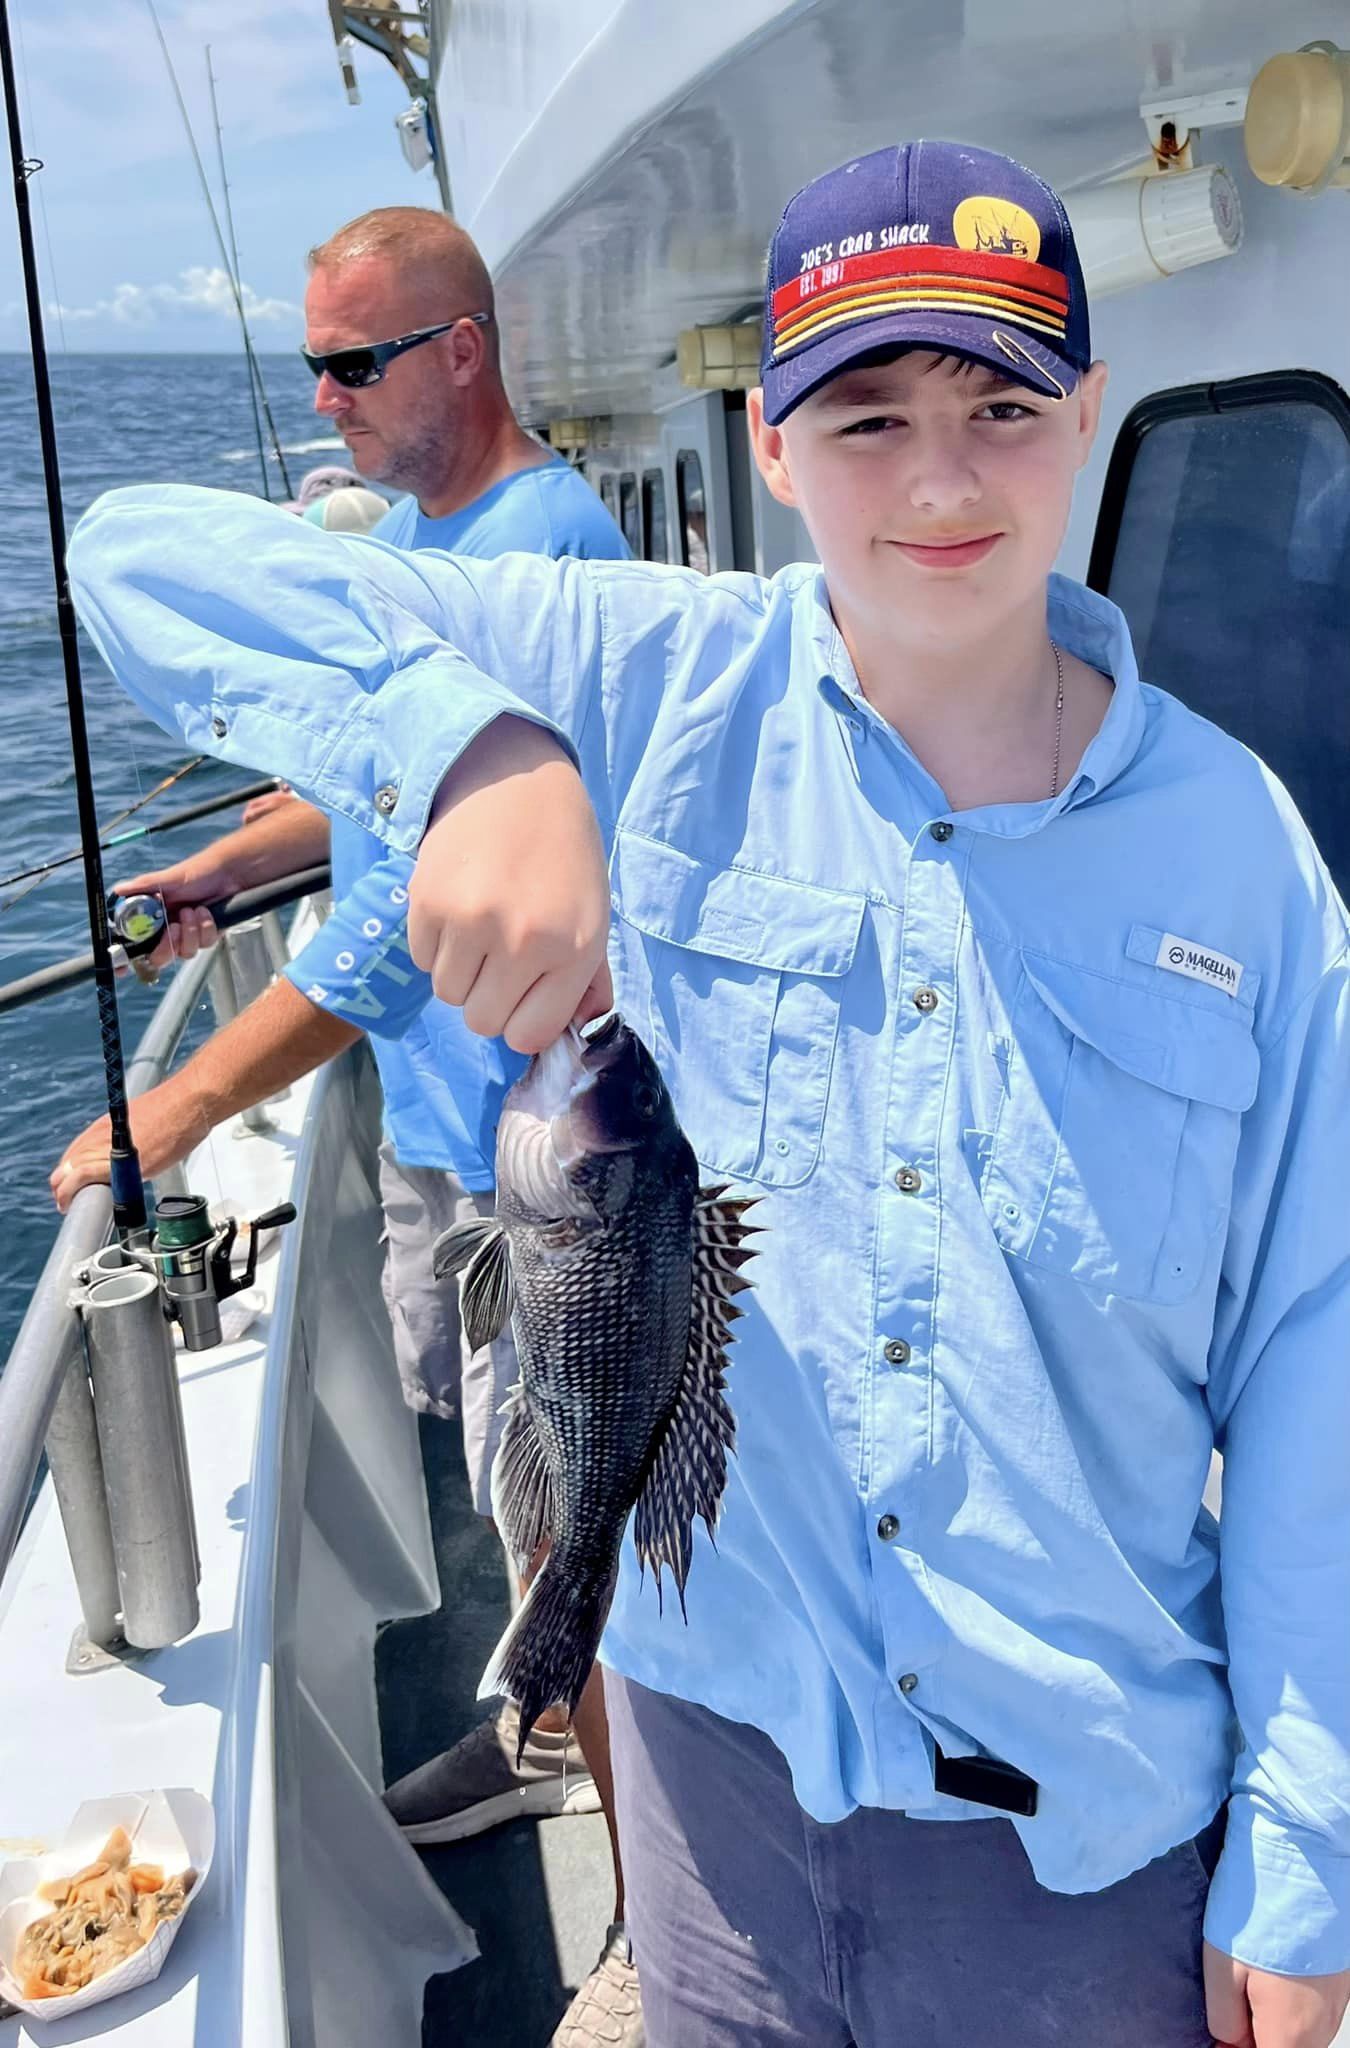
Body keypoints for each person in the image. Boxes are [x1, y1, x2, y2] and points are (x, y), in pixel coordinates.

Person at [68, 141, 1350, 2048]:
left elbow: (1316, 1365)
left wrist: (1305, 1852)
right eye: (867, 415)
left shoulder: (1242, 859)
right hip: (705, 1784)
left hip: (1083, 1846)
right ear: (769, 442)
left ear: (1086, 413)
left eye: (1002, 409)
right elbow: (135, 555)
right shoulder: (641, 673)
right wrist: (473, 746)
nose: (938, 480)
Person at [54, 205, 640, 2048]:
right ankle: (550, 1737)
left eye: (352, 362)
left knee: (585, 1538)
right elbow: (387, 779)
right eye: (312, 361)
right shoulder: (434, 547)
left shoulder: (539, 547)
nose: (322, 399)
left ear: (461, 350)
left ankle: (650, 1926)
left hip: (556, 1178)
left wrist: (181, 1102)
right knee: (530, 1518)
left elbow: (395, 919)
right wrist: (225, 871)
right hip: (465, 1146)